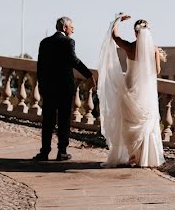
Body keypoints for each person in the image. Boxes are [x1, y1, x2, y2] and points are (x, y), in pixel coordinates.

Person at [98, 14, 166, 168]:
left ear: (135, 33)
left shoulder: (129, 46)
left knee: (128, 123)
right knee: (145, 122)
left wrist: (116, 20)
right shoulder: (154, 50)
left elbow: (115, 37)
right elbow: (157, 71)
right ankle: (145, 157)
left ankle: (132, 155)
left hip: (129, 87)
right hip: (145, 91)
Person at [32, 16, 94, 162]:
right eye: (71, 26)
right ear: (65, 28)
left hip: (48, 87)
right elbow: (74, 61)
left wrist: (41, 85)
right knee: (64, 120)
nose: (73, 29)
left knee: (48, 120)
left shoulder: (44, 42)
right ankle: (62, 152)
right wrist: (89, 75)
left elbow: (40, 67)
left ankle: (44, 151)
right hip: (64, 87)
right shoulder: (68, 42)